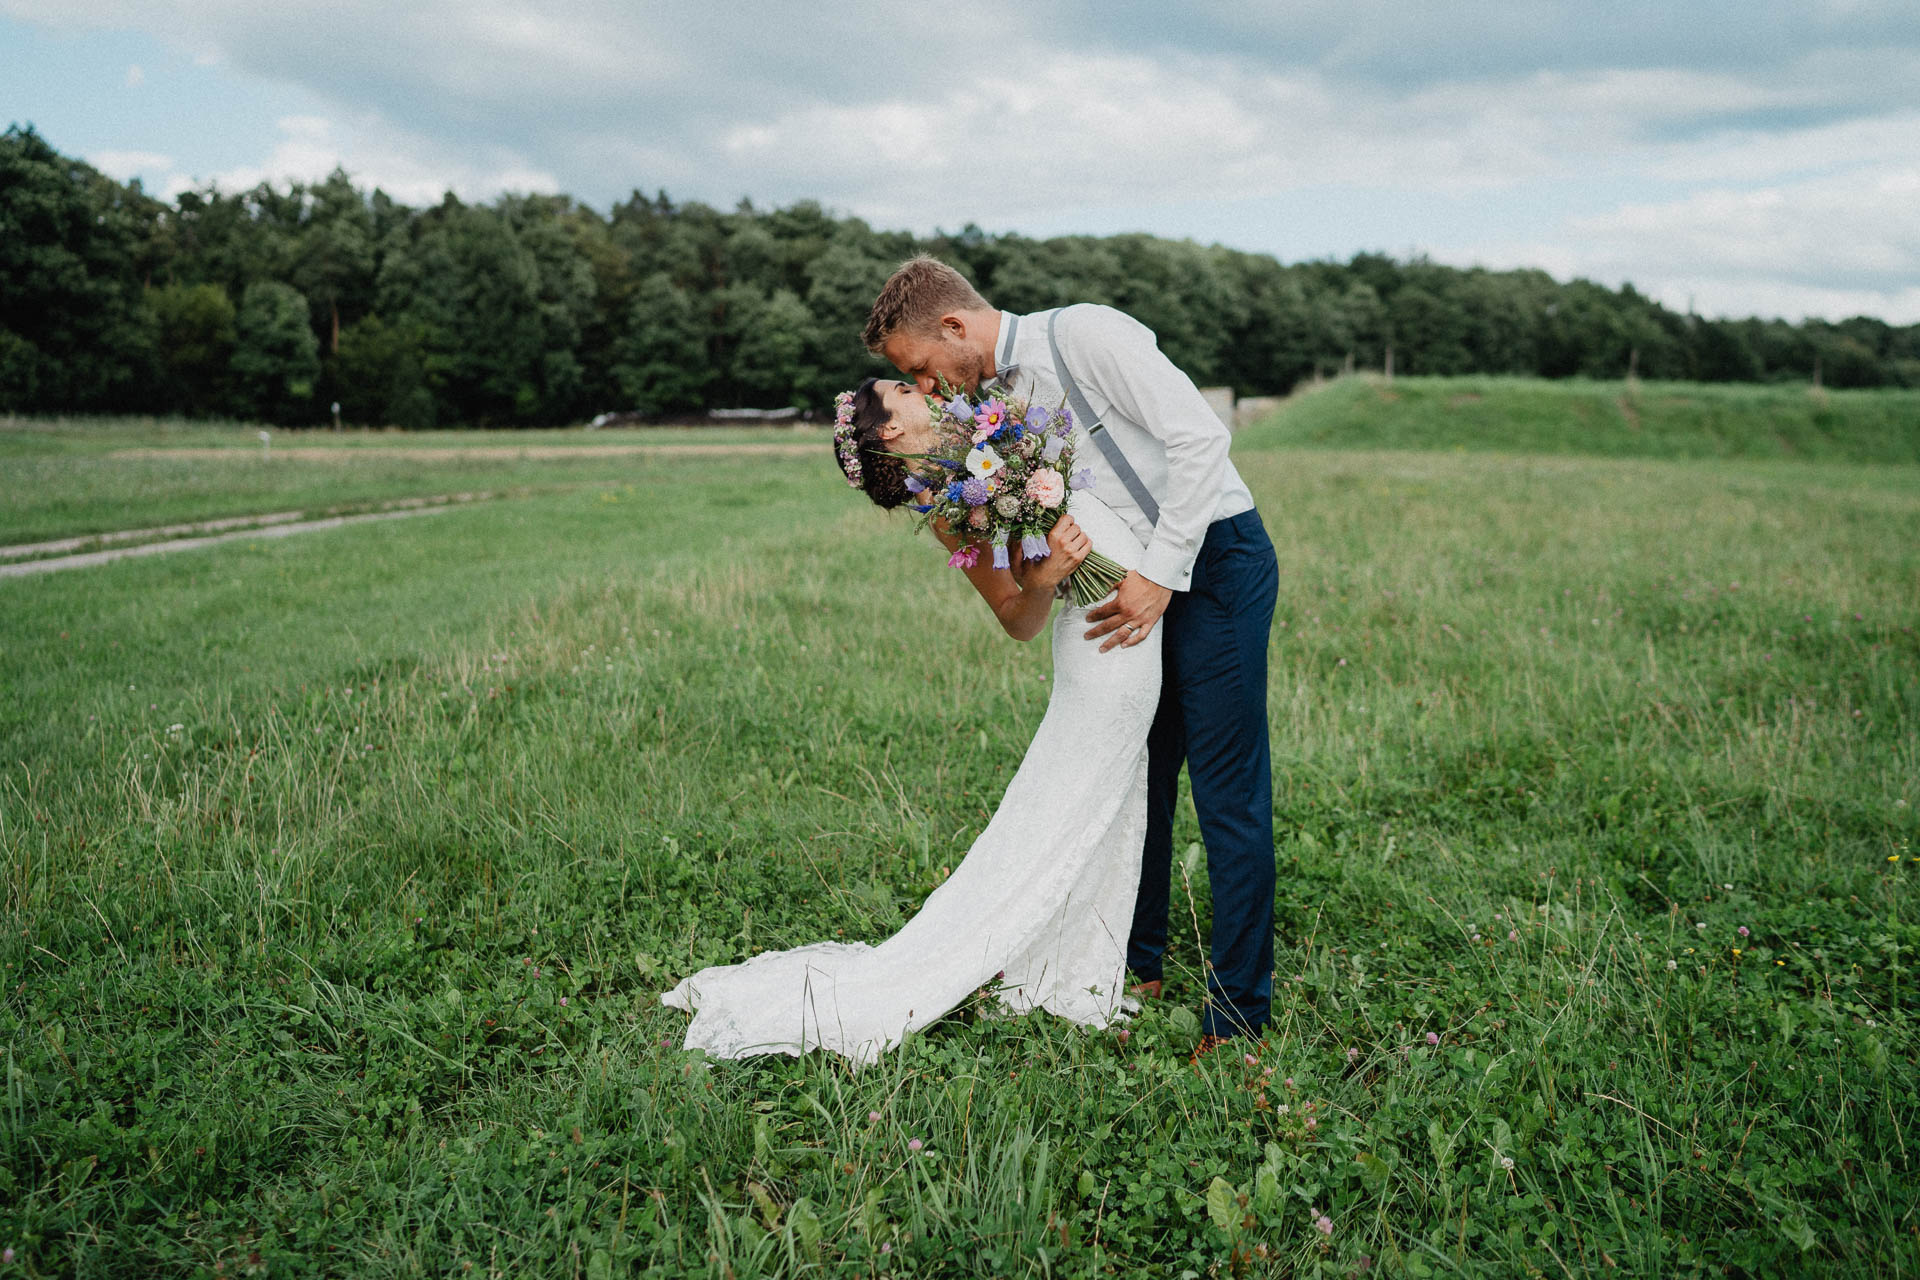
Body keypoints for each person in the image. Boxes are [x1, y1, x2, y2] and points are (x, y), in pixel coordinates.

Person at [661, 377, 1163, 1066]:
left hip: (1127, 618)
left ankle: (1076, 946)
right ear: (890, 431)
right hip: (1099, 643)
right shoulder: (952, 512)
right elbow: (1018, 618)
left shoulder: (996, 438)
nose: (919, 387)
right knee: (1078, 794)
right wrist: (1047, 580)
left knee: (1093, 797)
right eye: (900, 390)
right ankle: (1038, 955)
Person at [864, 257, 1280, 1051]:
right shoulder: (993, 408)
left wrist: (1161, 574)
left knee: (1228, 791)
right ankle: (1141, 957)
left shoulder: (1087, 334)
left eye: (921, 368)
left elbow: (1200, 438)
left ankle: (1238, 1014)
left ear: (954, 326)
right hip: (1130, 590)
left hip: (1216, 561)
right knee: (1144, 772)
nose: (932, 385)